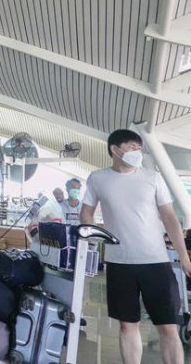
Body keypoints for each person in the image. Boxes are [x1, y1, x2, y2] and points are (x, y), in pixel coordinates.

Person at [81, 129, 191, 364]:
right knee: (127, 325)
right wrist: (92, 234)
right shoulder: (98, 178)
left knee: (168, 326)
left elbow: (170, 218)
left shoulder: (153, 178)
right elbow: (86, 212)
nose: (138, 152)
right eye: (133, 147)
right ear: (115, 149)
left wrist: (184, 257)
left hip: (156, 262)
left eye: (140, 148)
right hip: (119, 262)